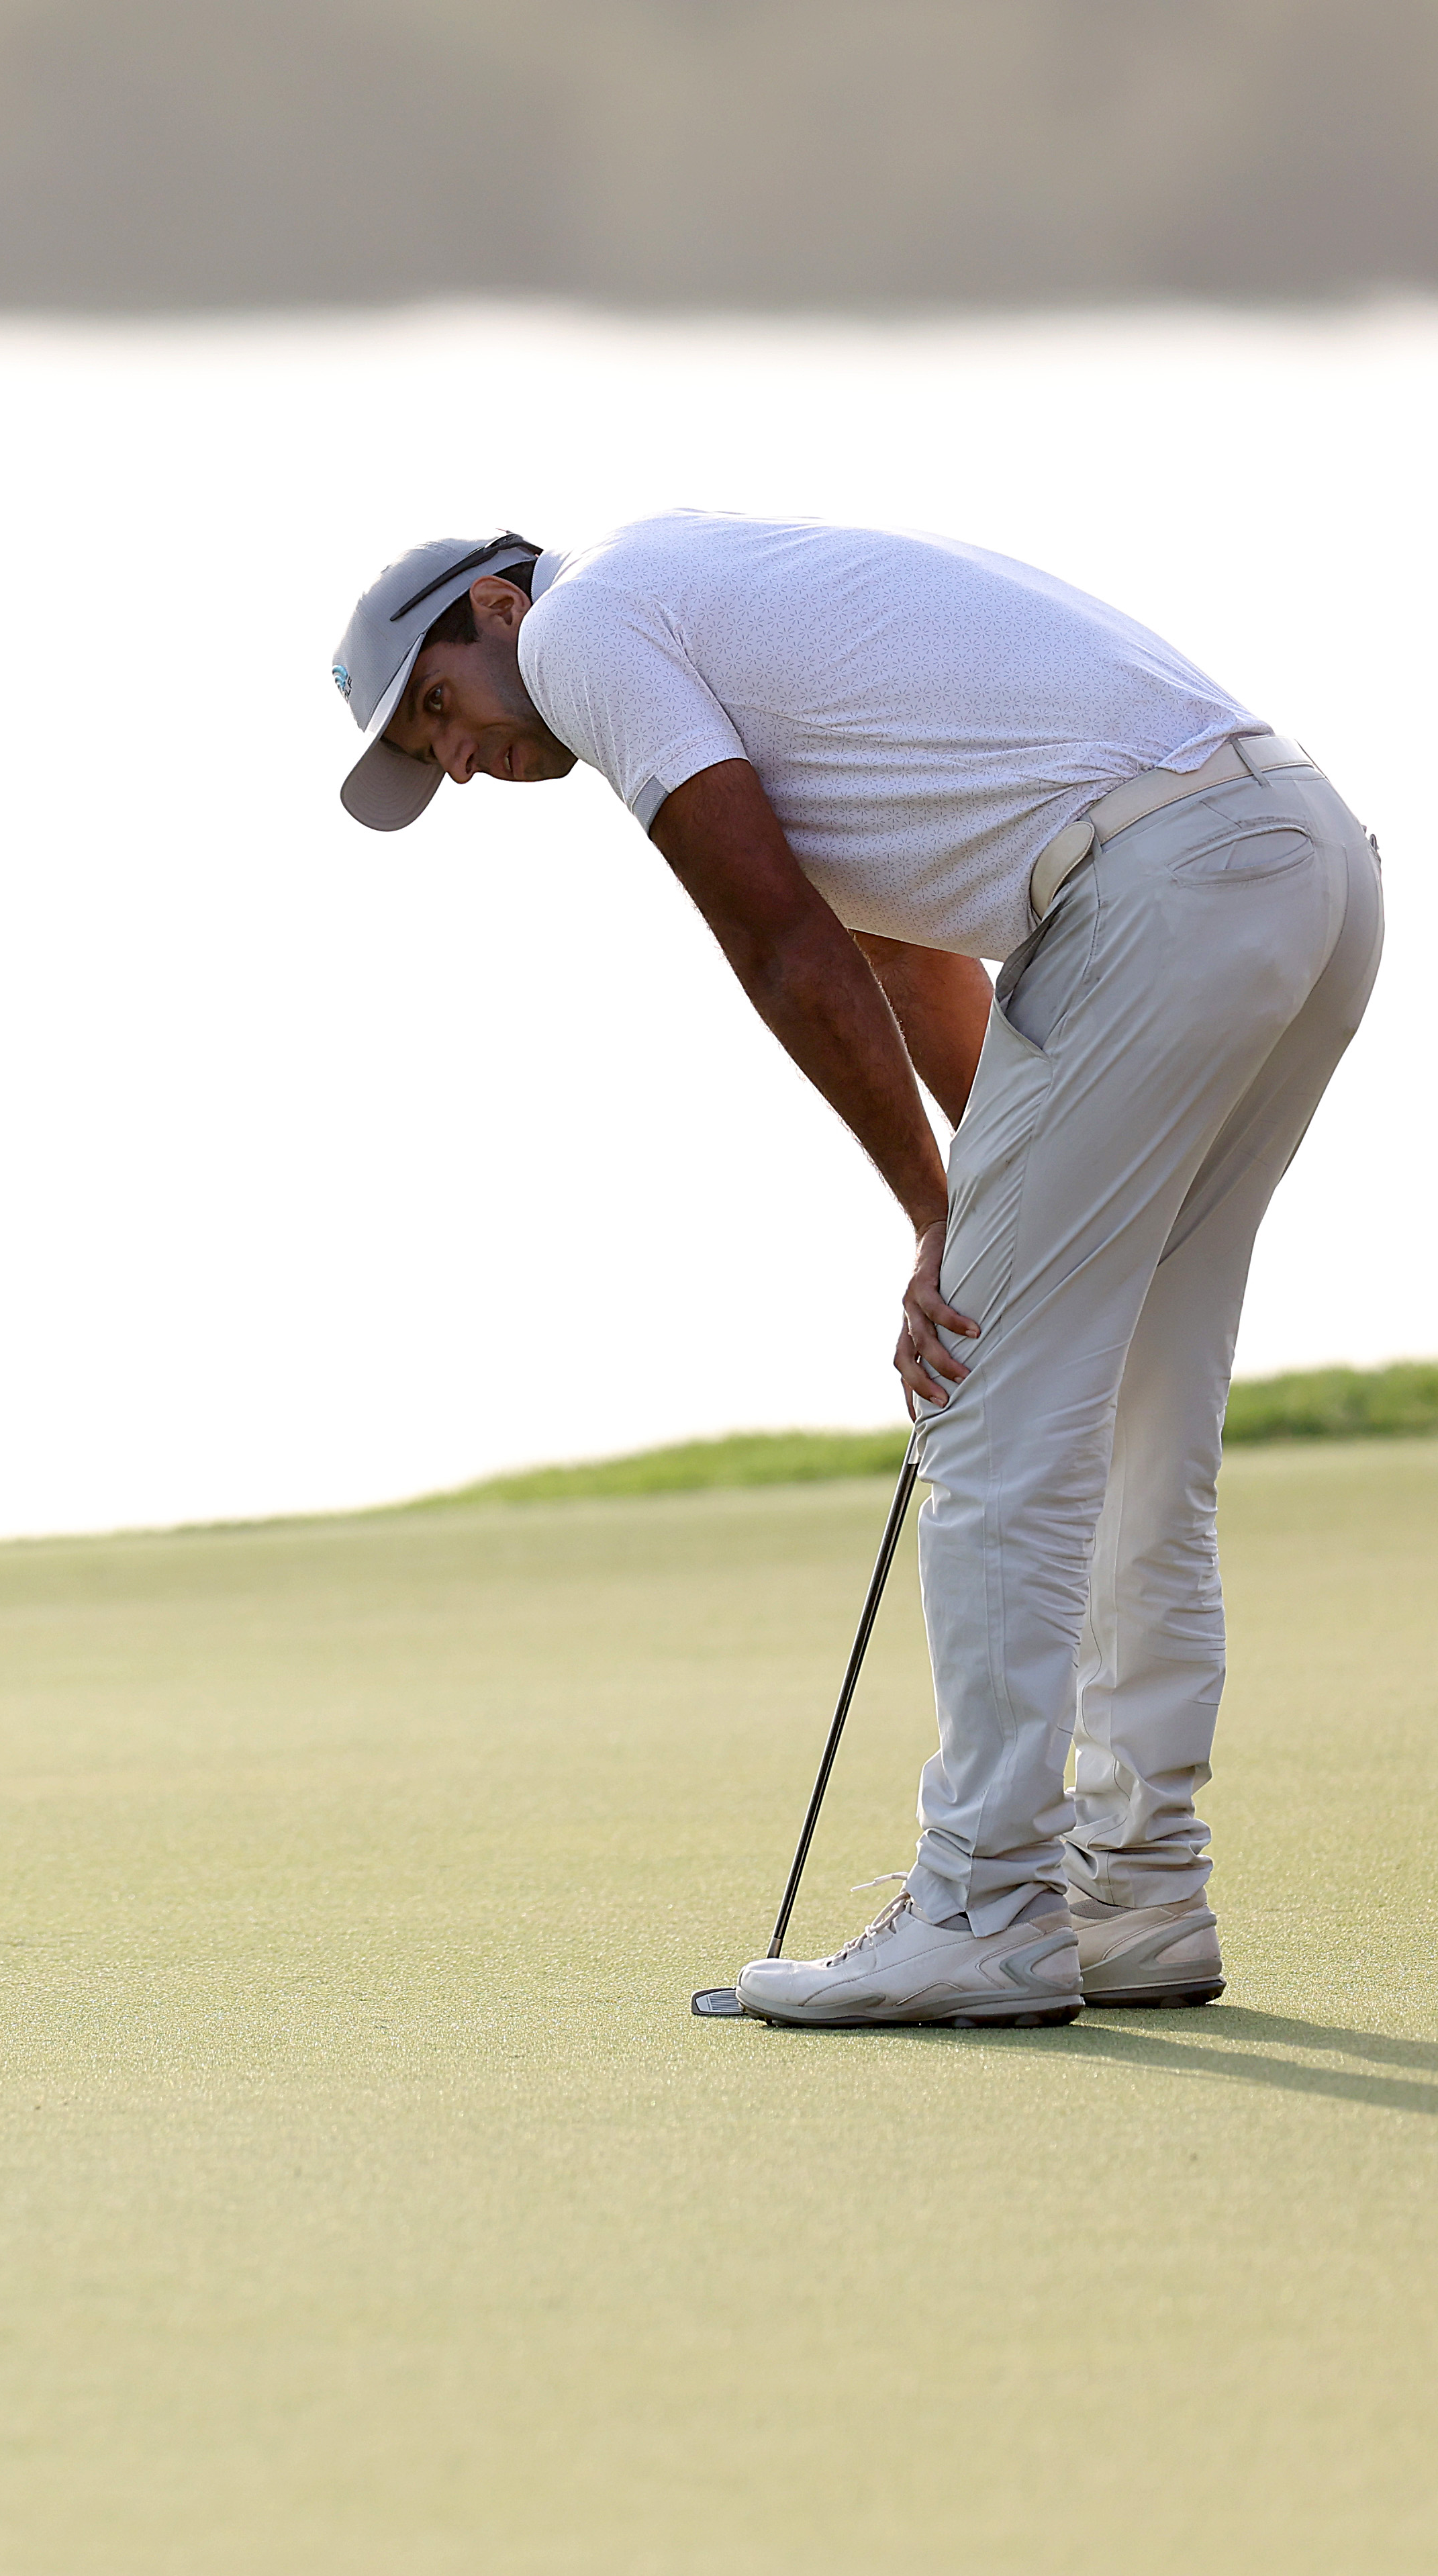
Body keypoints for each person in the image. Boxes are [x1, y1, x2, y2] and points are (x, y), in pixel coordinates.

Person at [329, 515, 1384, 2027]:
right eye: (427, 755)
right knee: (1146, 1404)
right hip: (1301, 860)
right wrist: (994, 1197)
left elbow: (777, 941)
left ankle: (984, 1904)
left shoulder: (584, 631)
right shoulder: (706, 601)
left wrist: (941, 1225)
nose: (458, 756)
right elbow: (898, 953)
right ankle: (1138, 1891)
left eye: (438, 705)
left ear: (496, 606)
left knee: (984, 1396)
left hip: (1164, 888)